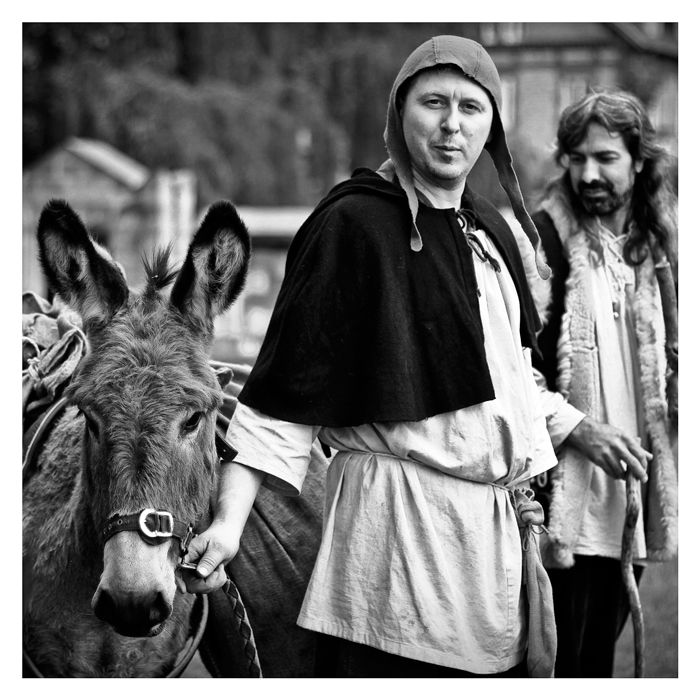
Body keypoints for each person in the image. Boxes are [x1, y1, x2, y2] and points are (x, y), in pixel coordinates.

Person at [181, 35, 558, 677]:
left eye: (471, 107)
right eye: (433, 102)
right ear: (397, 114)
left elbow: (513, 377)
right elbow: (283, 402)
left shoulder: (489, 231)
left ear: (492, 124)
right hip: (398, 541)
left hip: (493, 544)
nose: (451, 124)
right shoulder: (352, 226)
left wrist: (574, 432)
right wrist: (227, 525)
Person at [529, 88, 678, 677]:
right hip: (559, 502)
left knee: (595, 671)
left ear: (639, 160)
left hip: (630, 505)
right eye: (578, 158)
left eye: (606, 158)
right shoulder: (538, 242)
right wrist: (580, 430)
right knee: (550, 668)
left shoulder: (662, 251)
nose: (588, 173)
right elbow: (512, 369)